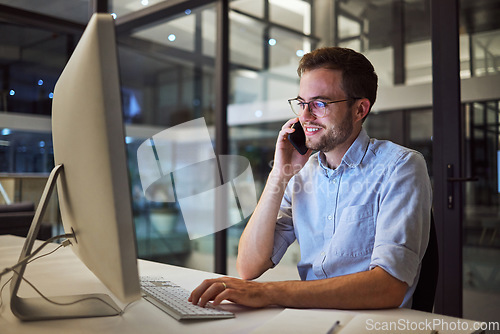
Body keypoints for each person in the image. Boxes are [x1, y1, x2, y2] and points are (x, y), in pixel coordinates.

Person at [189, 47, 432, 310]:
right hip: (312, 319)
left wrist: (267, 293)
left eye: (319, 104)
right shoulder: (302, 173)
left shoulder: (400, 167)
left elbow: (388, 287)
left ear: (360, 109)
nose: (304, 116)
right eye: (302, 103)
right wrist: (279, 174)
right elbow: (249, 266)